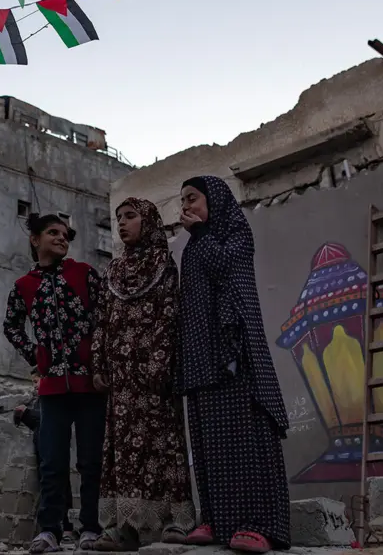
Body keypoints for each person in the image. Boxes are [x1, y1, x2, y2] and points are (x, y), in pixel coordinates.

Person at [177, 176, 290, 553]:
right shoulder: (193, 247)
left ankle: (257, 525)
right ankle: (214, 519)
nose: (186, 207)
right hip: (201, 359)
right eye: (183, 201)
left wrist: (203, 234)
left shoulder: (235, 235)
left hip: (236, 354)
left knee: (246, 437)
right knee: (209, 442)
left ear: (215, 199)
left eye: (193, 198)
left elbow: (227, 271)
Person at [90, 198, 196, 551]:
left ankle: (174, 522)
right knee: (124, 453)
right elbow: (102, 322)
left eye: (131, 217)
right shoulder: (114, 271)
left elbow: (169, 316)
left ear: (148, 221)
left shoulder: (164, 265)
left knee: (162, 447)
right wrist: (99, 364)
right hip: (121, 381)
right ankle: (125, 528)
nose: (122, 223)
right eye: (119, 218)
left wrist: (159, 364)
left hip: (153, 379)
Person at [4, 213, 106, 554]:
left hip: (90, 384)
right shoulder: (24, 286)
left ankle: (91, 527)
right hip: (50, 388)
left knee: (91, 459)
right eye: (53, 232)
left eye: (65, 234)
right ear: (35, 240)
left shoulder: (85, 274)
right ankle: (50, 529)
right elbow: (12, 327)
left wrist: (97, 356)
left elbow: (105, 317)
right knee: (52, 460)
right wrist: (36, 356)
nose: (62, 238)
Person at [14, 384, 76, 546]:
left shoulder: (56, 398)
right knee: (51, 477)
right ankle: (57, 529)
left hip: (53, 448)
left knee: (58, 476)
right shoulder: (40, 400)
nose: (34, 384)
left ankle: (66, 528)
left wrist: (24, 412)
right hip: (44, 451)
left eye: (37, 380)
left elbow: (44, 418)